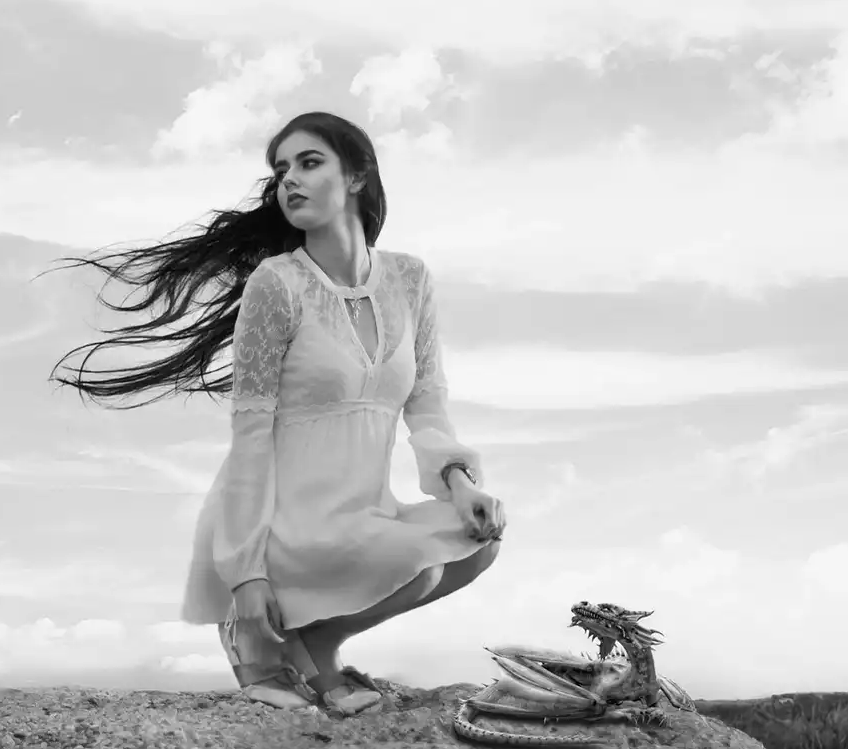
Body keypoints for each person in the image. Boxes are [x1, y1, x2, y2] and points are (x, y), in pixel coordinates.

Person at [48, 111, 505, 717]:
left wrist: (461, 481)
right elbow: (252, 432)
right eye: (281, 169)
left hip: (364, 512)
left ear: (359, 175)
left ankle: (312, 645)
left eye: (309, 163)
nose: (289, 180)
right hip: (283, 520)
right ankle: (269, 635)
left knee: (478, 541)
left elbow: (426, 403)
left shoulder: (410, 280)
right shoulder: (278, 283)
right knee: (415, 567)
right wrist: (245, 570)